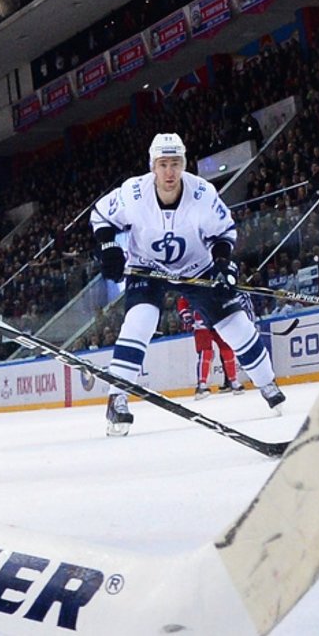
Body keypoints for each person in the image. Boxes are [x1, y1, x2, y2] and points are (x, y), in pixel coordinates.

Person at [89, 133, 284, 436]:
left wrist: (221, 265)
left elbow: (224, 233)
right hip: (146, 267)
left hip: (197, 266)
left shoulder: (202, 193)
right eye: (163, 164)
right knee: (140, 320)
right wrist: (109, 248)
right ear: (152, 166)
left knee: (235, 325)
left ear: (184, 164)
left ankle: (267, 382)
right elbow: (101, 217)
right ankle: (117, 398)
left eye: (175, 163)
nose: (169, 172)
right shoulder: (133, 193)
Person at [176, 295, 241, 398]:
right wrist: (186, 315)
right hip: (200, 322)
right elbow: (183, 302)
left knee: (227, 349)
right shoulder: (192, 285)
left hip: (217, 320)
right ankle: (202, 385)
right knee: (206, 352)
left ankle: (233, 381)